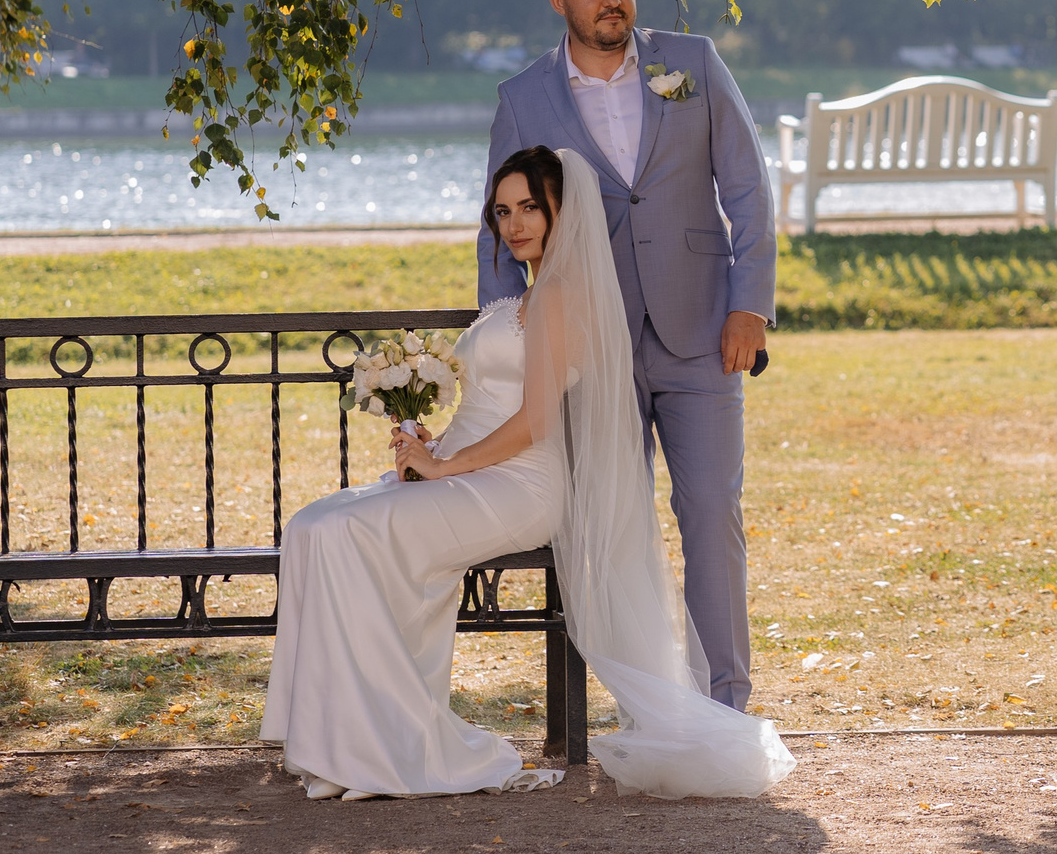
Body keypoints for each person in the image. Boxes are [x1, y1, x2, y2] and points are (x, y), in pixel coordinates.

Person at [264, 146, 794, 799]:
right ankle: (341, 738)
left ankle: (385, 747)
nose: (514, 224)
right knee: (312, 525)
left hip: (519, 487)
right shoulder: (528, 296)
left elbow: (537, 421)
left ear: (560, 214)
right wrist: (434, 442)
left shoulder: (559, 299)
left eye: (529, 208)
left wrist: (444, 464)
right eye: (503, 210)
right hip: (473, 472)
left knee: (340, 532)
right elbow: (490, 405)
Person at [478, 0, 776, 710]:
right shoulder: (523, 100)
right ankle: (648, 706)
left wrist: (750, 303)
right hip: (589, 349)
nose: (612, 0)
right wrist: (512, 344)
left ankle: (724, 706)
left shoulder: (693, 63)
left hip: (703, 333)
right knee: (612, 529)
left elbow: (748, 188)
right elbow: (498, 229)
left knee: (712, 512)